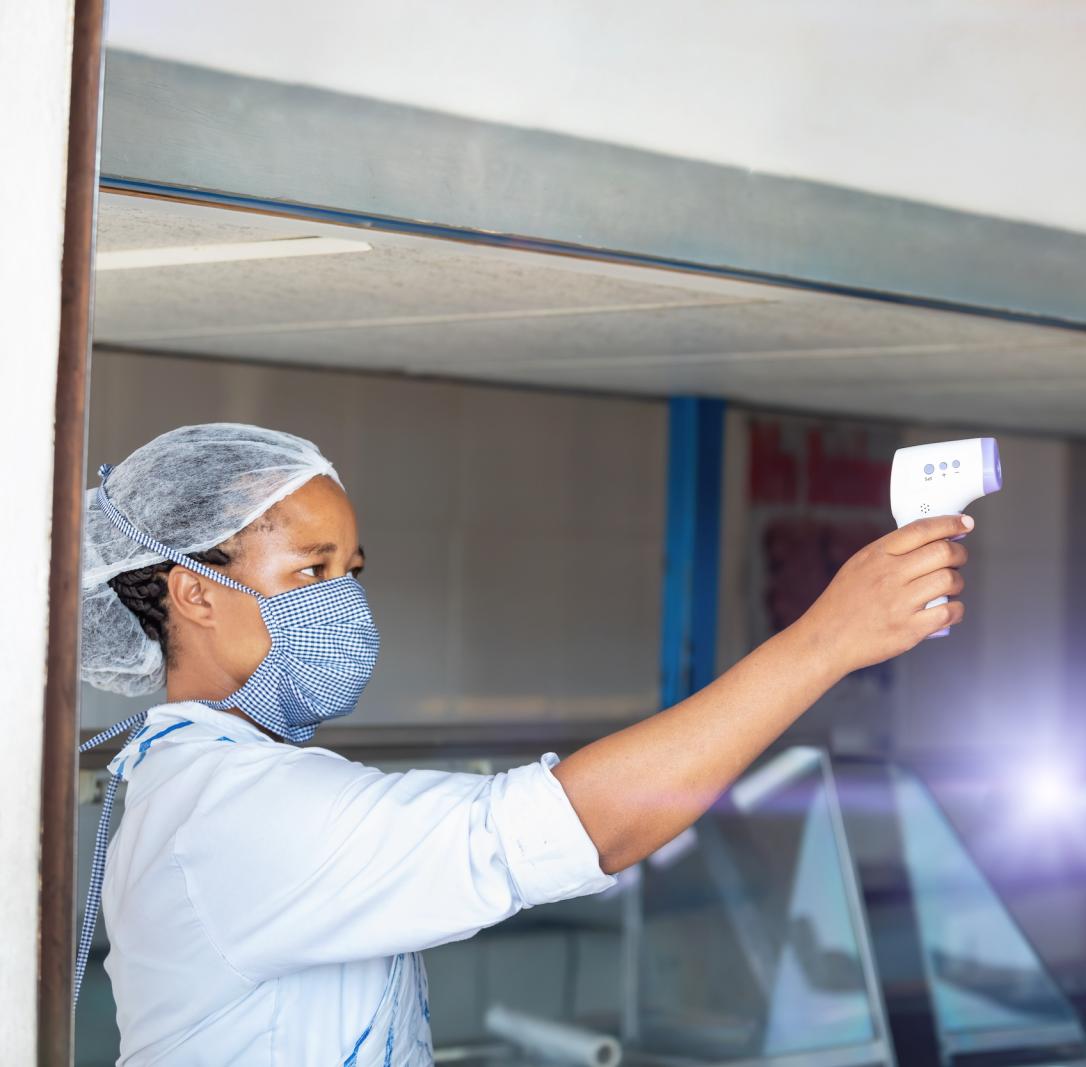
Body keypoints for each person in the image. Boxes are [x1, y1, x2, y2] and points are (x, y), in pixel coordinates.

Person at [77, 423, 973, 1065]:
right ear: (193, 593)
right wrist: (824, 642)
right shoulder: (231, 811)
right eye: (309, 571)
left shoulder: (219, 782)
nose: (343, 602)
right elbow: (552, 830)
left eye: (351, 572)